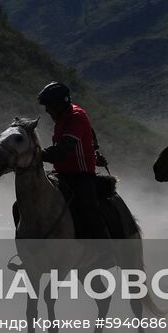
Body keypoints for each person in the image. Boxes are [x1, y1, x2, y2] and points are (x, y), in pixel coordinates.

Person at [36, 82, 111, 239]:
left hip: (81, 176)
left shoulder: (76, 117)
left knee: (87, 204)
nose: (47, 110)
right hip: (61, 174)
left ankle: (105, 248)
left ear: (60, 103)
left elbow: (63, 151)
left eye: (49, 105)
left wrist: (35, 155)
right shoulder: (61, 119)